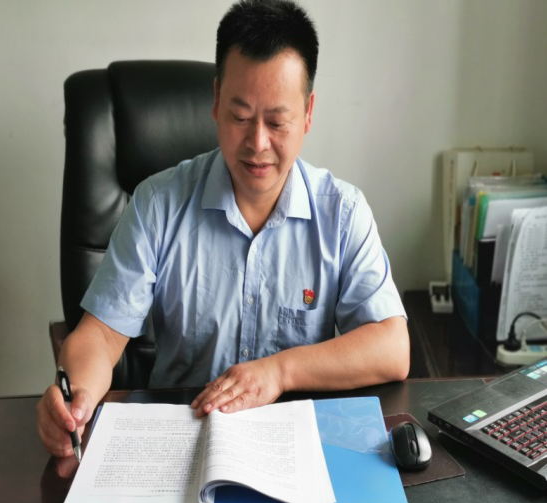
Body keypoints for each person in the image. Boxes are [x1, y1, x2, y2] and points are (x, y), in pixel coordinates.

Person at [37, 0, 410, 458]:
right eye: (240, 117)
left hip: (292, 447)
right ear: (215, 101)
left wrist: (279, 372)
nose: (257, 143)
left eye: (277, 122)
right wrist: (76, 397)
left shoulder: (343, 214)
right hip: (177, 440)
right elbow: (100, 335)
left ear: (308, 113)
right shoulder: (158, 204)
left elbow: (392, 347)